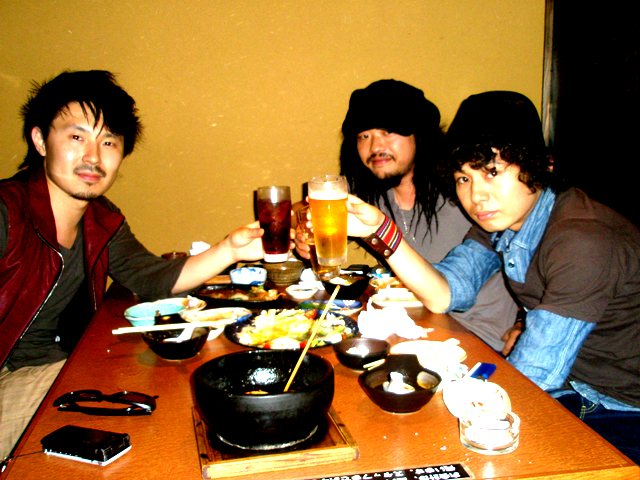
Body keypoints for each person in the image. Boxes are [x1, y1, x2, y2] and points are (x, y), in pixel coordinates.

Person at [345, 90, 640, 463]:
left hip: (620, 409)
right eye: (463, 178)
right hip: (569, 389)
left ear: (542, 165)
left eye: (492, 172)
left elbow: (537, 374)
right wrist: (380, 230)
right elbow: (444, 294)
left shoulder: (583, 239)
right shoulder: (503, 222)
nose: (477, 196)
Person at [0, 70, 273, 460]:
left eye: (108, 142)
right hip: (10, 379)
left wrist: (230, 250)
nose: (93, 157)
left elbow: (152, 278)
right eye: (77, 137)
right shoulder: (6, 212)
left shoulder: (101, 219)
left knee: (165, 383)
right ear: (41, 140)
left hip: (52, 366)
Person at [298, 79, 518, 351]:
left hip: (479, 341)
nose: (375, 146)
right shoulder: (373, 194)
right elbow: (307, 208)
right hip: (414, 334)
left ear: (419, 135)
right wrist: (303, 234)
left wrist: (525, 320)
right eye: (364, 136)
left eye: (388, 131)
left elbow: (534, 247)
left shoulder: (468, 192)